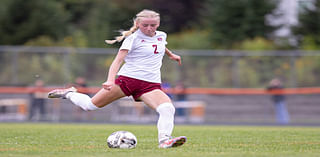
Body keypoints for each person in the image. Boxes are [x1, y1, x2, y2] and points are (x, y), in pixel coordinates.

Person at [48, 9, 186, 148]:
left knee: (167, 108)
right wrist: (110, 80)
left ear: (158, 23)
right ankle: (70, 93)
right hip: (128, 81)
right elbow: (117, 61)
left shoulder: (162, 35)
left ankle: (164, 141)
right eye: (145, 25)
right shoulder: (132, 39)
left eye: (153, 25)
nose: (149, 28)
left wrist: (171, 55)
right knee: (89, 106)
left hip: (150, 85)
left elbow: (160, 45)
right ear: (138, 24)